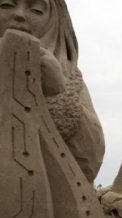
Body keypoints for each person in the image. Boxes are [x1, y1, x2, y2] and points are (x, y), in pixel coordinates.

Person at [0, 0, 105, 182]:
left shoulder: (69, 79)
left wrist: (57, 92)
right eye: (6, 5)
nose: (19, 14)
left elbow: (89, 162)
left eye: (36, 10)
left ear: (55, 23)